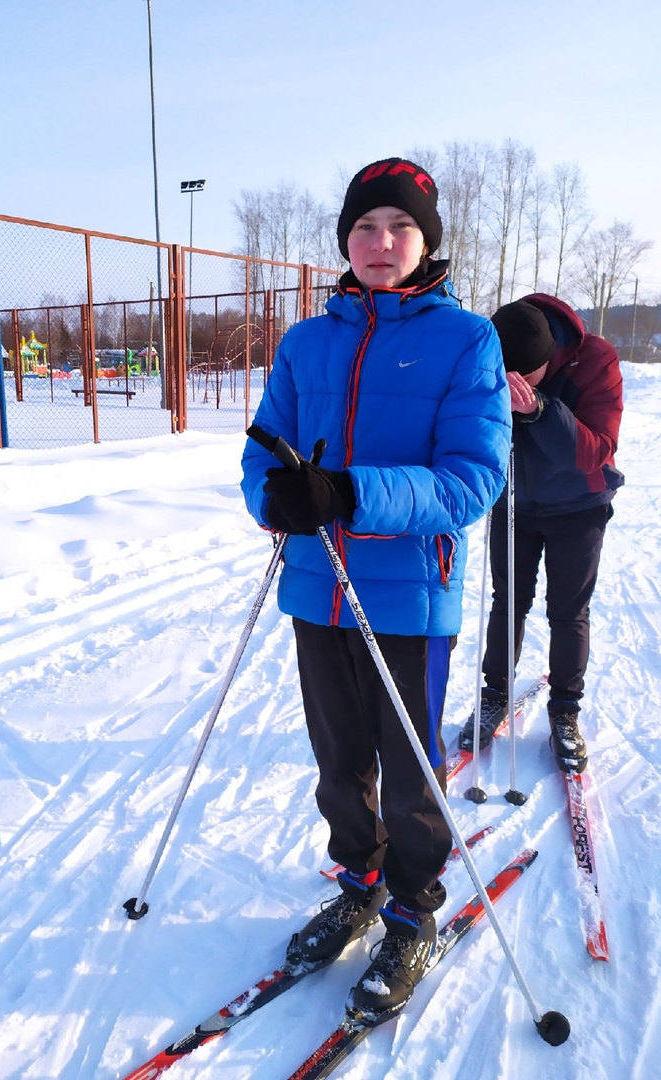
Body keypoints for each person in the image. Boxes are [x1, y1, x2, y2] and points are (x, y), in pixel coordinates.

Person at [240, 157, 512, 1024]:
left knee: (409, 766)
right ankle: (357, 881)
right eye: (364, 227)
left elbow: (472, 480)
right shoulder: (305, 341)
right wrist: (274, 497)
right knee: (338, 758)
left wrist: (350, 491)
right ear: (345, 241)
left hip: (408, 596)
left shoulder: (466, 339)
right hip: (316, 589)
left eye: (399, 226)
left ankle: (411, 912)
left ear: (427, 240)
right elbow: (263, 450)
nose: (380, 242)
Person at [458, 296, 624, 773]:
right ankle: (495, 695)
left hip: (579, 506)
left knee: (568, 611)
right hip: (516, 505)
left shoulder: (596, 360)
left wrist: (539, 411)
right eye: (500, 377)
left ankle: (565, 710)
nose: (509, 388)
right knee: (507, 599)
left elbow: (598, 450)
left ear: (547, 361)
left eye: (522, 377)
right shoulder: (491, 356)